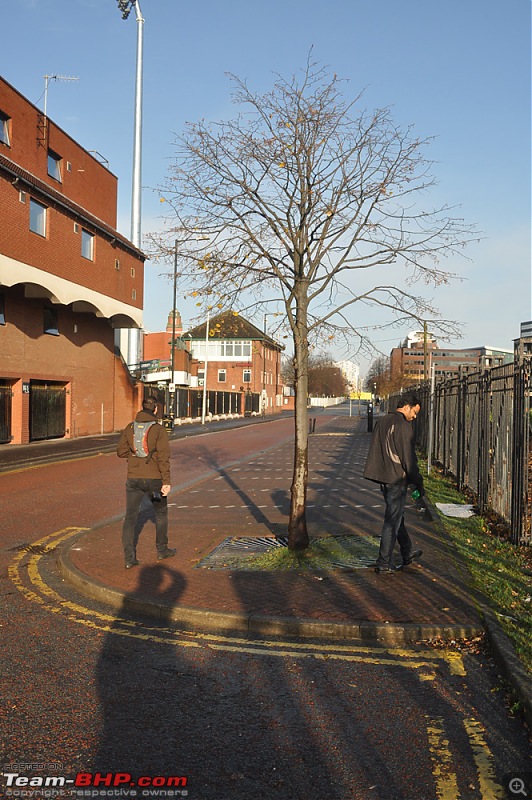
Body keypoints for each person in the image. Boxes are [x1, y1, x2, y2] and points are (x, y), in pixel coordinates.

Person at [363, 391, 424, 574]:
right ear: (406, 407)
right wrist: (418, 482)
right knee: (392, 520)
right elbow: (408, 459)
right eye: (414, 412)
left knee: (397, 516)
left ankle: (407, 551)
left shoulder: (382, 421)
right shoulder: (403, 425)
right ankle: (383, 563)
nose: (414, 417)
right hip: (397, 479)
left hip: (384, 477)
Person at [117, 396, 175, 569]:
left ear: (142, 408)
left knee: (130, 517)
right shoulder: (158, 429)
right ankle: (162, 550)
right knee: (161, 513)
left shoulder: (130, 427)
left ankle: (129, 559)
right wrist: (166, 481)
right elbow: (164, 457)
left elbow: (120, 452)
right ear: (155, 409)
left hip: (133, 479)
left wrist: (134, 456)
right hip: (154, 480)